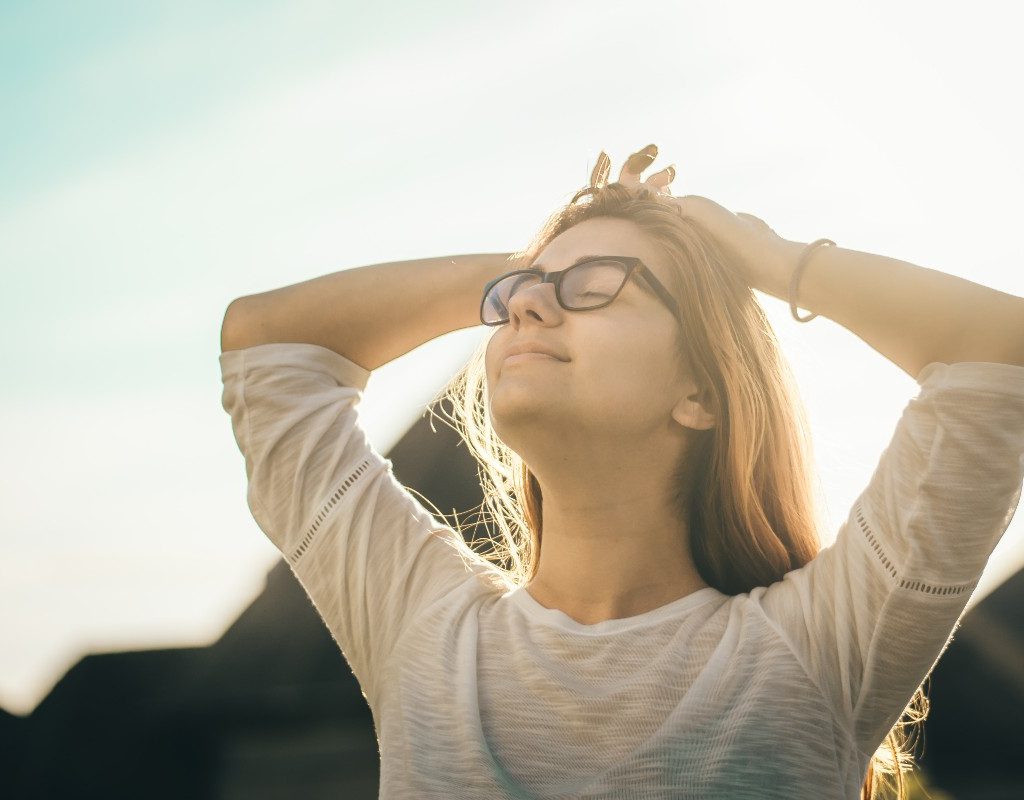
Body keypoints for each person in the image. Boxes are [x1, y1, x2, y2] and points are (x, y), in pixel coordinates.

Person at [219, 144, 1024, 799]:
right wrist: (545, 259)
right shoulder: (422, 628)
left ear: (701, 393)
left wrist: (772, 262)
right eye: (519, 297)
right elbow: (265, 341)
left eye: (597, 288)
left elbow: (999, 350)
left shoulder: (818, 646)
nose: (528, 308)